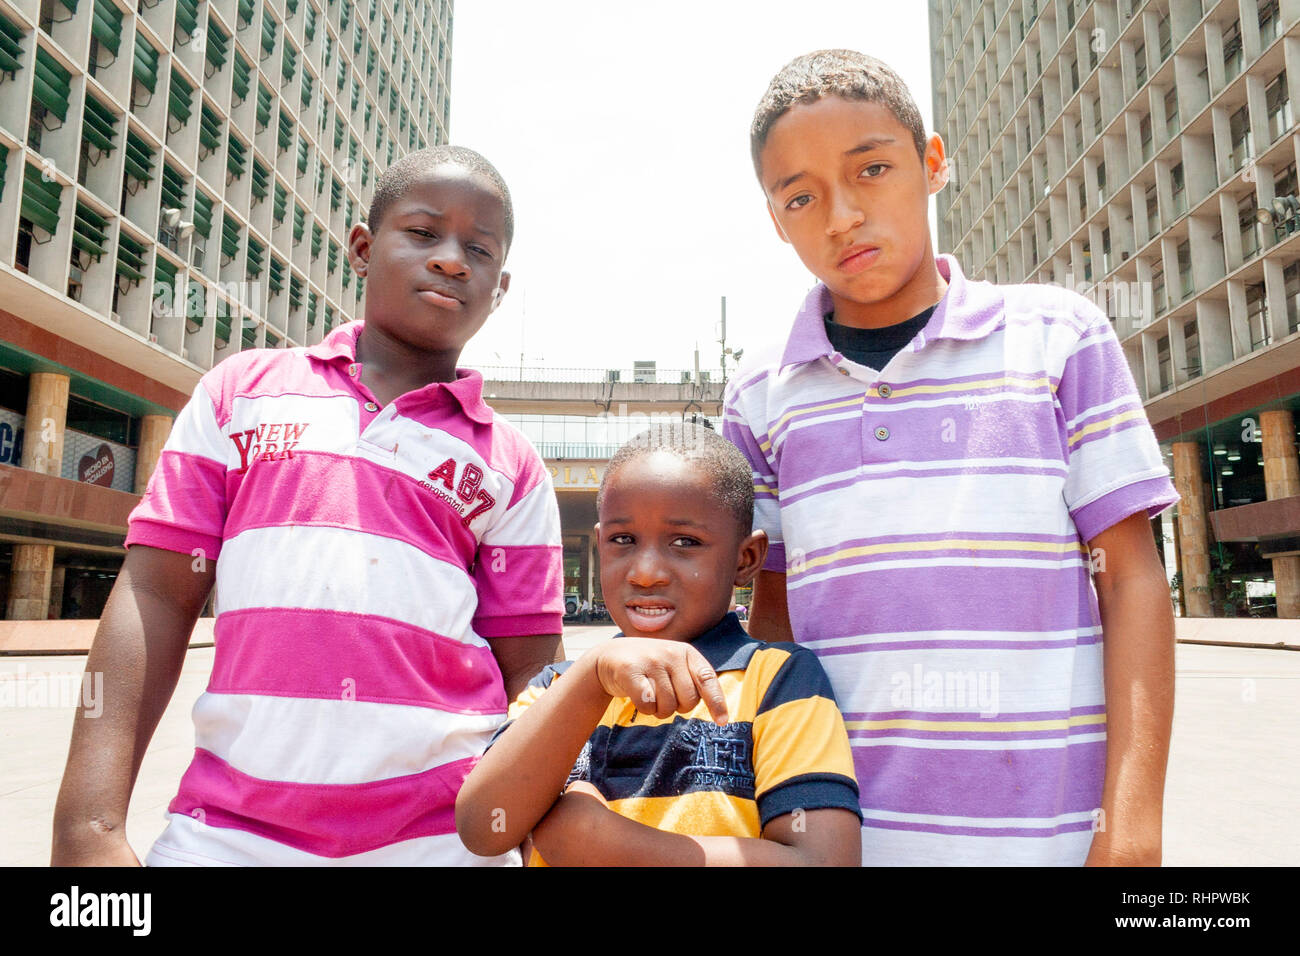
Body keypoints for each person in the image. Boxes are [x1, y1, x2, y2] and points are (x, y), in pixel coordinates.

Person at [723, 50, 1178, 866]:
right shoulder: (760, 394)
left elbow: (1134, 580)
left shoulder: (1058, 338)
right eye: (801, 196)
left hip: (1053, 836)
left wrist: (1133, 826)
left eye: (871, 169)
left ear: (932, 164)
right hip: (841, 838)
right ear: (773, 218)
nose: (842, 215)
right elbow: (775, 620)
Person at [51, 146, 564, 867]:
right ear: (362, 247)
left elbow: (532, 680)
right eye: (423, 233)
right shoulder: (242, 392)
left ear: (499, 286)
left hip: (442, 845)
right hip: (226, 839)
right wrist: (87, 829)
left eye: (477, 250)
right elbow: (156, 597)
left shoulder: (510, 464)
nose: (451, 260)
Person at [455, 423, 862, 865]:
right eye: (623, 540)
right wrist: (591, 679)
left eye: (685, 542)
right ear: (599, 543)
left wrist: (606, 846)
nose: (646, 571)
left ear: (746, 560)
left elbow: (825, 859)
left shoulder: (780, 681)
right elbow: (485, 826)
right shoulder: (557, 688)